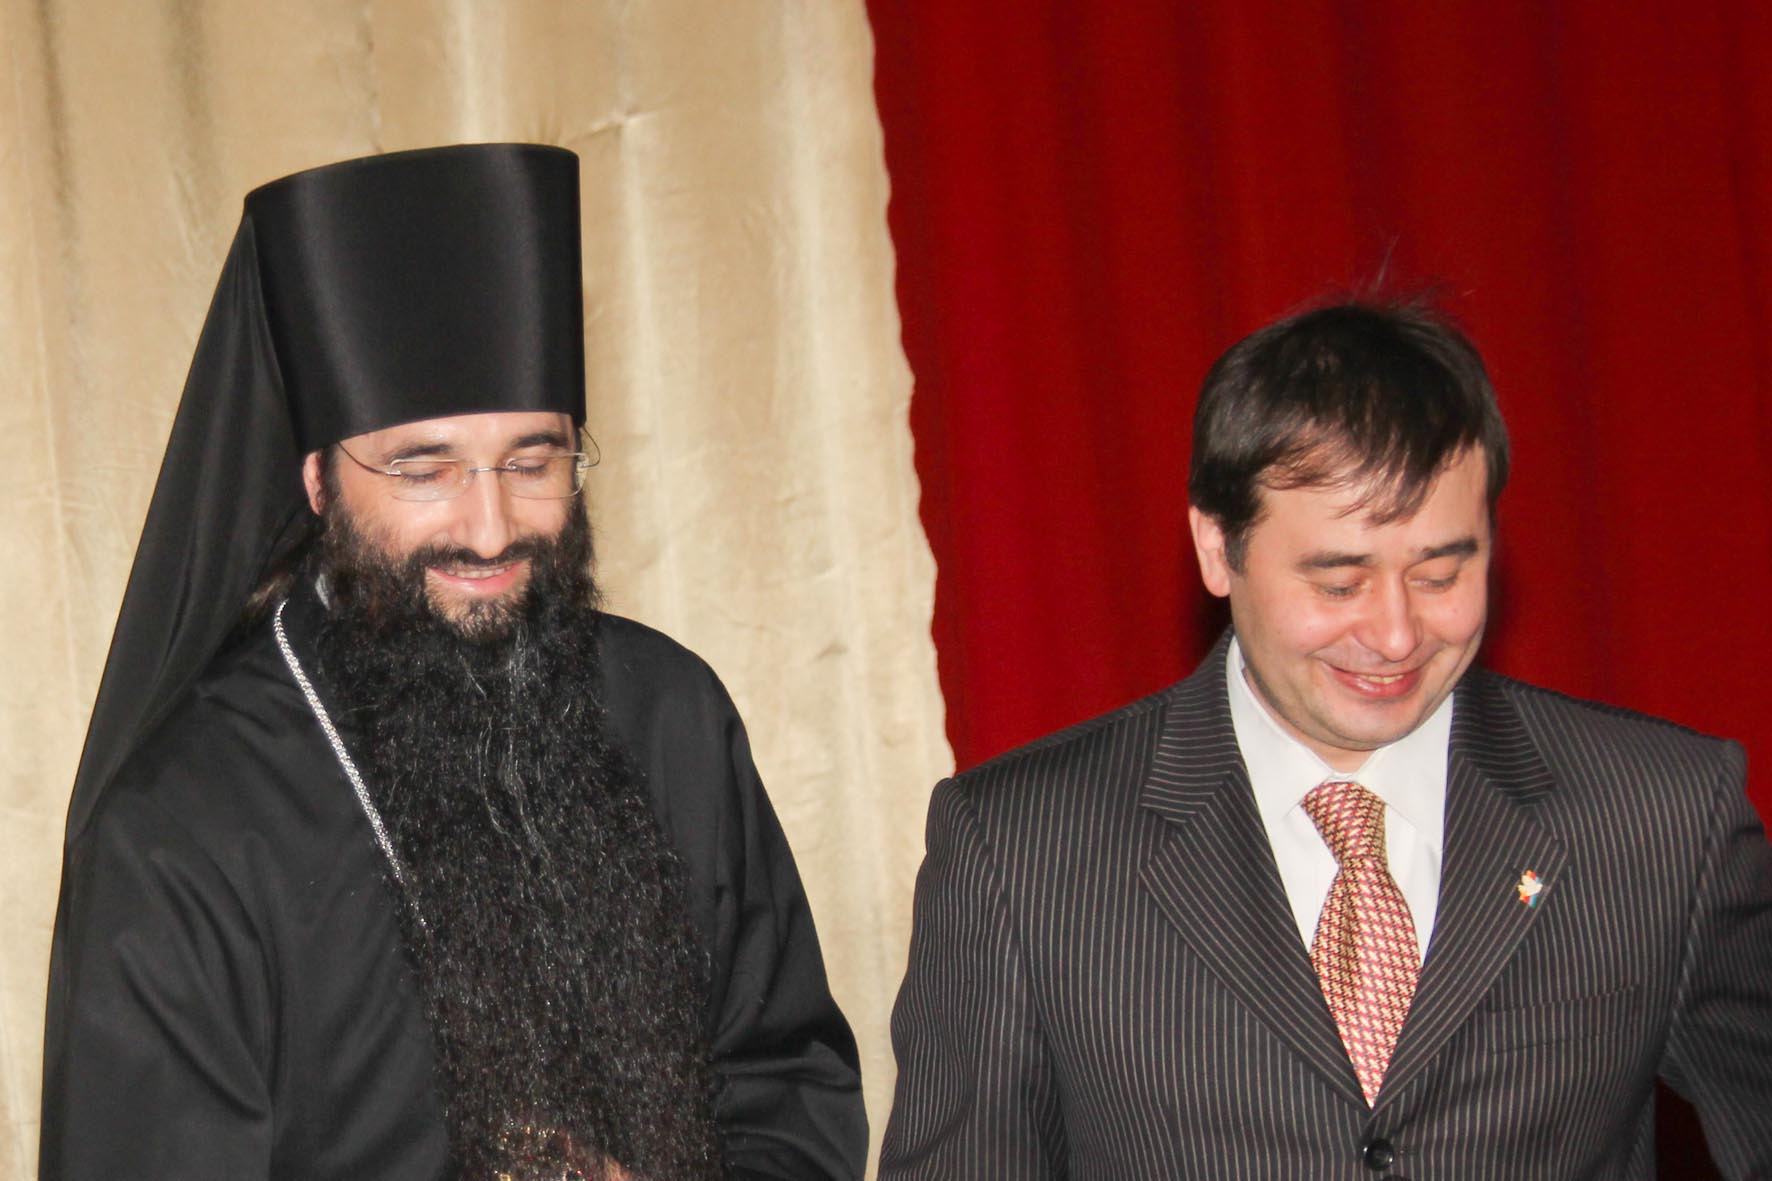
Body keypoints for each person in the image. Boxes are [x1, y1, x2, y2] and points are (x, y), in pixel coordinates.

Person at [41, 144, 865, 1181]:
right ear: (316, 478)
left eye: (533, 460)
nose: (489, 528)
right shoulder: (180, 825)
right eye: (423, 470)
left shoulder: (669, 712)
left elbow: (788, 1087)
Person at [879, 300, 1772, 1178]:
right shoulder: (1021, 849)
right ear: (1217, 547)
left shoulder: (1660, 815)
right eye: (1340, 583)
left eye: (1441, 573)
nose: (1396, 634)